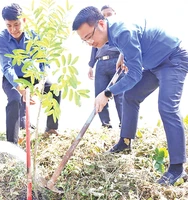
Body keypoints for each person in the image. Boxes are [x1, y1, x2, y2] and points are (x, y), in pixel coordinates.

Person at [72, 6, 188, 185]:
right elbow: (131, 46)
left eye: (89, 37)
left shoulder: (122, 31)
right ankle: (125, 142)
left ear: (101, 23)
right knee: (130, 96)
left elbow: (135, 74)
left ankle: (177, 168)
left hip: (172, 59)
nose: (90, 43)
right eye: (84, 40)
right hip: (154, 64)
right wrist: (123, 56)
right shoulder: (112, 32)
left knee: (167, 107)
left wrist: (107, 93)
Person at [0, 3, 61, 144]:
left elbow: (44, 62)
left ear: (24, 20)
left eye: (16, 24)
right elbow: (7, 67)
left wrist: (41, 82)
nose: (13, 29)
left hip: (33, 75)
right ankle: (11, 142)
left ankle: (51, 128)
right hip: (12, 78)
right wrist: (21, 89)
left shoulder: (34, 36)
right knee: (14, 100)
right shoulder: (1, 39)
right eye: (9, 25)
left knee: (54, 88)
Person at [88, 5, 123, 129]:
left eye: (109, 14)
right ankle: (105, 125)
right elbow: (94, 47)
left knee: (120, 94)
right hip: (101, 64)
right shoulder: (98, 32)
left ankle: (123, 124)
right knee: (100, 94)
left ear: (115, 14)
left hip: (117, 62)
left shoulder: (120, 29)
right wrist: (91, 66)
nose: (106, 17)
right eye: (104, 15)